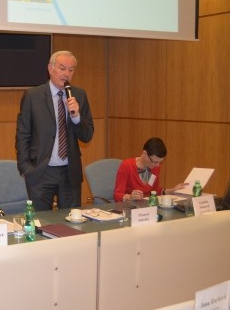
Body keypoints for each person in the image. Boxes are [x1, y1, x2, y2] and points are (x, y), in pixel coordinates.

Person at [16, 50, 94, 211]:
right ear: (50, 69)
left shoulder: (79, 95)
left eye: (71, 70)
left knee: (71, 221)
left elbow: (87, 135)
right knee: (42, 221)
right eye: (62, 68)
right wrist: (26, 168)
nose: (66, 74)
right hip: (41, 172)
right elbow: (23, 135)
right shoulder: (33, 96)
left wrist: (76, 116)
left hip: (70, 172)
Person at [113, 137, 188, 201]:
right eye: (155, 162)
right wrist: (130, 197)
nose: (157, 165)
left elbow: (155, 191)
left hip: (147, 206)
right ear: (145, 154)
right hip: (130, 207)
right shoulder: (127, 166)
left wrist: (172, 191)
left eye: (160, 162)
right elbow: (117, 195)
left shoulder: (155, 167)